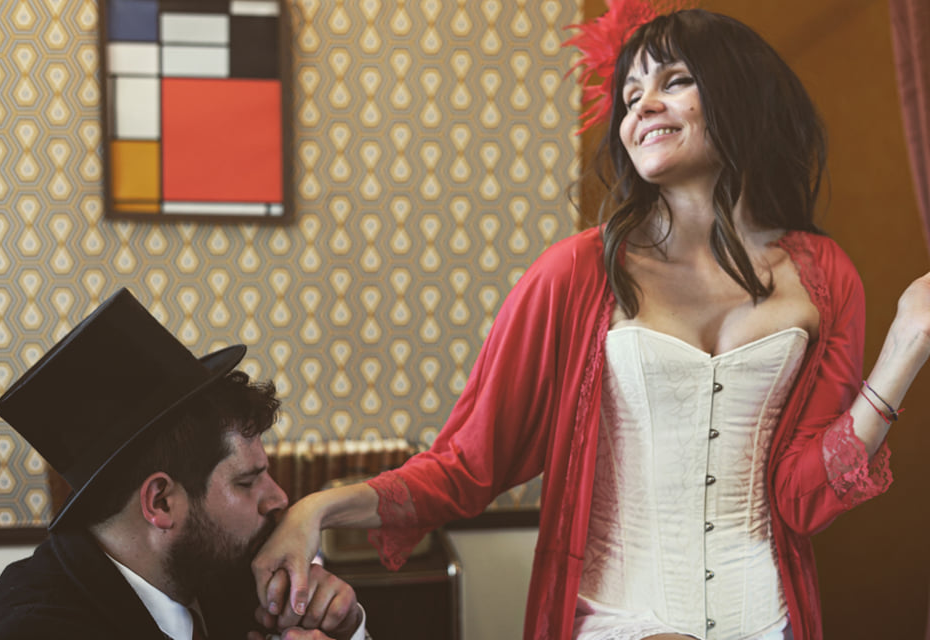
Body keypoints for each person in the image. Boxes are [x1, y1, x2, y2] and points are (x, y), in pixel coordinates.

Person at [250, 6, 930, 640]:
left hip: (769, 620)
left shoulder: (824, 275)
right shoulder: (575, 273)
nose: (644, 107)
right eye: (631, 97)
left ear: (741, 92)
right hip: (618, 620)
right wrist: (316, 509)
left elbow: (804, 497)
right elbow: (465, 465)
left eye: (674, 81)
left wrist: (903, 348)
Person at [0, 288, 368, 640]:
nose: (278, 498)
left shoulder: (223, 568)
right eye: (247, 482)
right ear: (160, 502)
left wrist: (345, 627)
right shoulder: (31, 630)